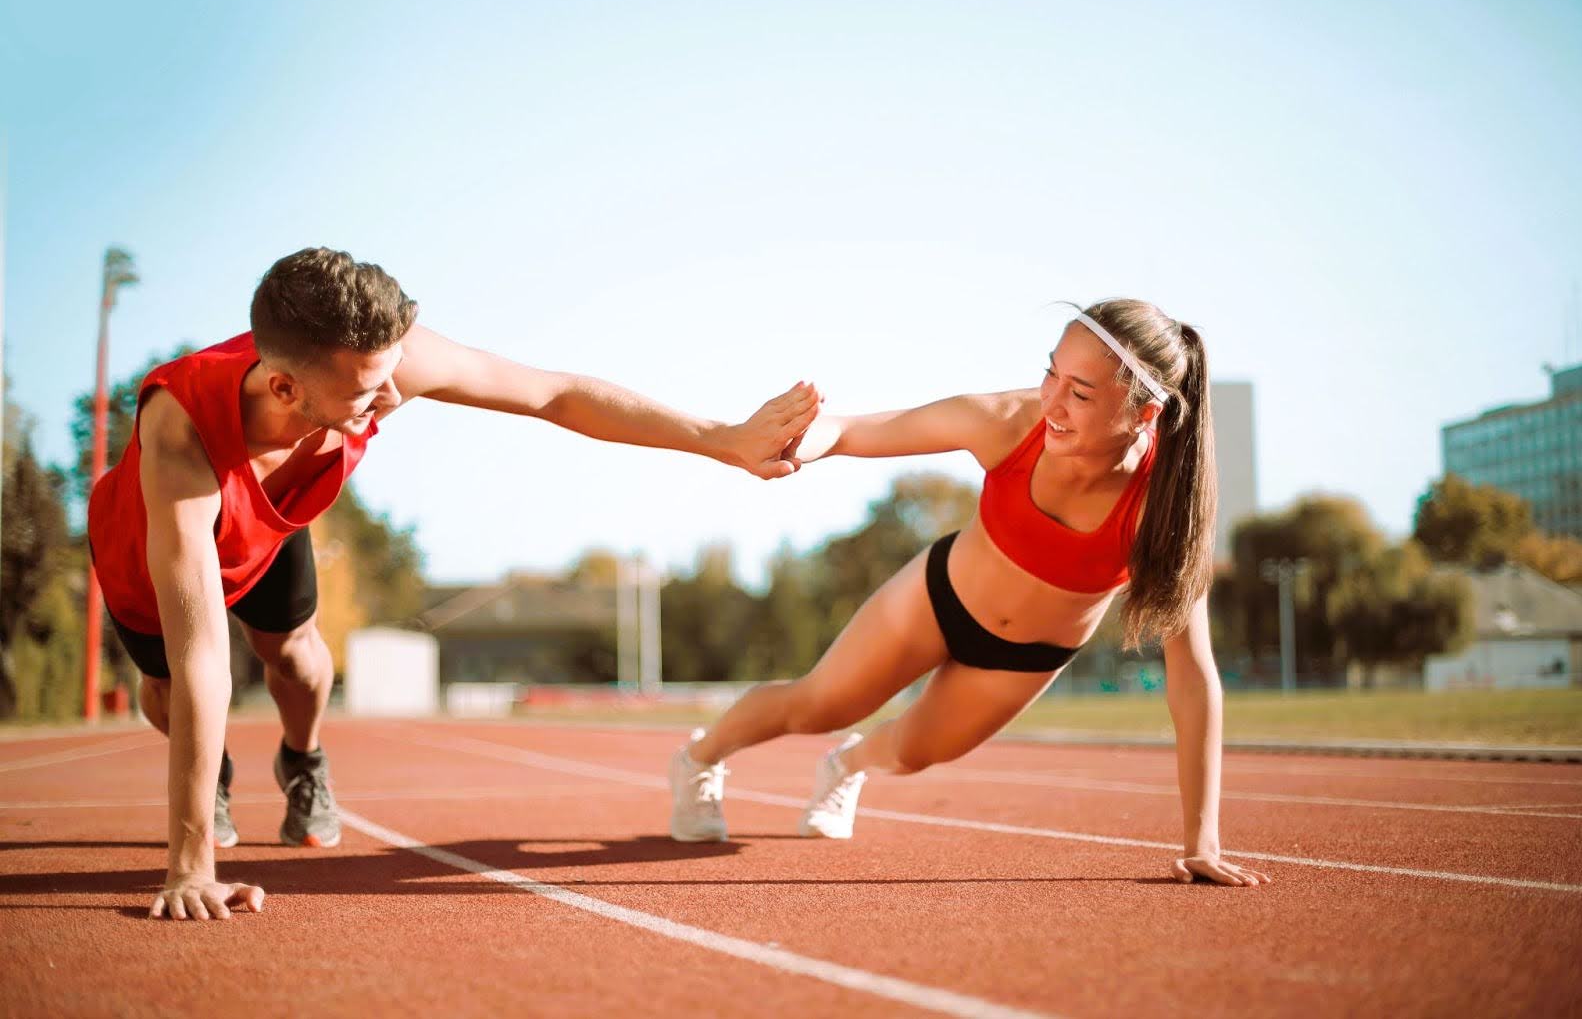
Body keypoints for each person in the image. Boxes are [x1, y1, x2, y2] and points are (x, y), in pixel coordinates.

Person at [88, 247, 821, 920]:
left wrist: (720, 439)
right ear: (283, 386)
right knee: (173, 692)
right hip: (152, 543)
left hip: (270, 524)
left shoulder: (385, 364)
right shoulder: (180, 436)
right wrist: (191, 869)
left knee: (300, 661)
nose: (392, 401)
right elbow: (202, 656)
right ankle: (210, 774)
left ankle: (302, 762)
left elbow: (554, 394)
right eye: (368, 394)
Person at [667, 298, 1269, 888]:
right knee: (820, 704)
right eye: (1050, 372)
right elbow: (852, 430)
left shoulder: (1162, 508)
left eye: (1081, 393)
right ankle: (699, 759)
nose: (1052, 402)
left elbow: (1191, 673)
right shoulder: (1008, 421)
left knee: (911, 754)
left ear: (1143, 415)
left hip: (1026, 658)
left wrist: (1202, 843)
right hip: (937, 598)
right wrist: (798, 444)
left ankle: (845, 766)